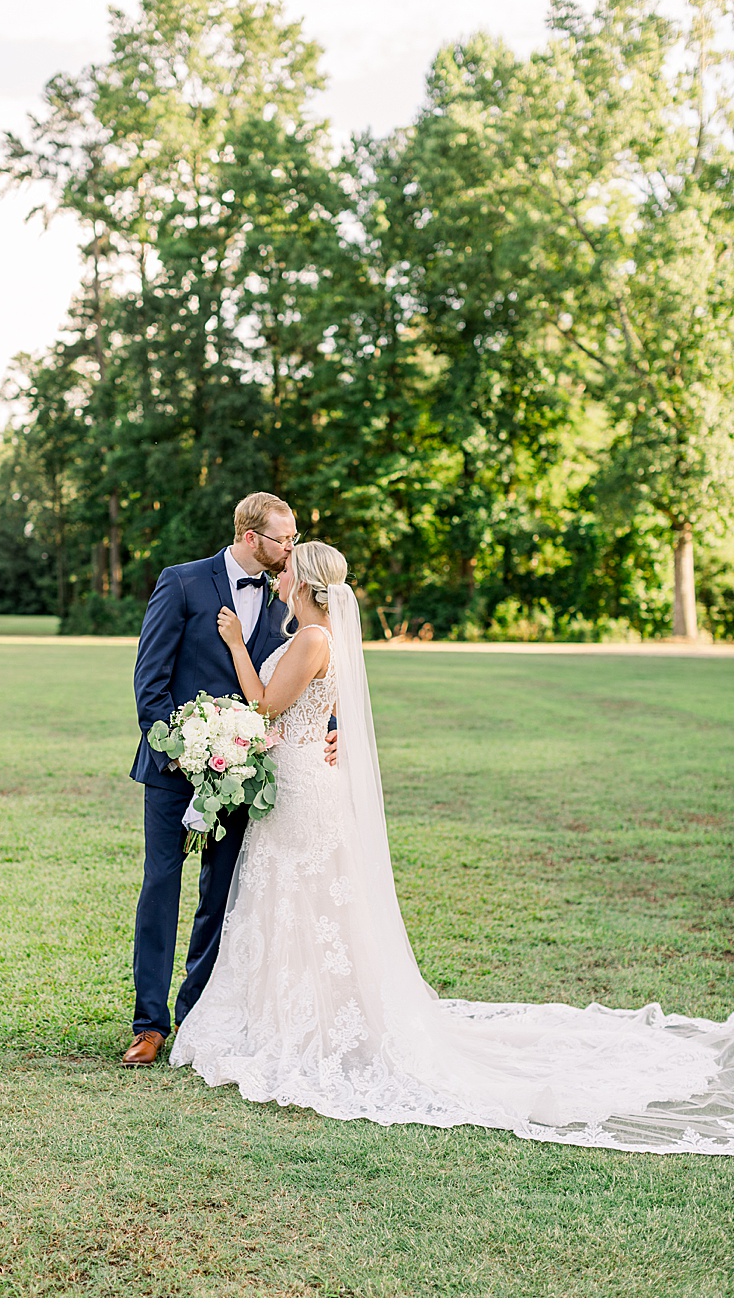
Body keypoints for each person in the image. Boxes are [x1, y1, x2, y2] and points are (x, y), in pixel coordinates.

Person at [171, 541, 732, 1154]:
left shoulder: (312, 638)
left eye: (286, 574)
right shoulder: (319, 633)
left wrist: (231, 643)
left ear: (304, 582)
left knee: (303, 899)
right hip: (301, 778)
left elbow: (265, 701)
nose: (278, 580)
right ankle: (299, 1016)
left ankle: (312, 1025)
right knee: (301, 902)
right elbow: (309, 713)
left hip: (302, 788)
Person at [125, 493, 305, 1067]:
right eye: (284, 539)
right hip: (174, 768)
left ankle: (200, 1013)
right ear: (251, 538)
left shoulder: (286, 600)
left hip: (244, 774)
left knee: (222, 895)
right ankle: (149, 1025)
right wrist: (176, 749)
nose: (291, 549)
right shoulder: (182, 582)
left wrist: (330, 726)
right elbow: (150, 678)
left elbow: (302, 677)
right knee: (161, 887)